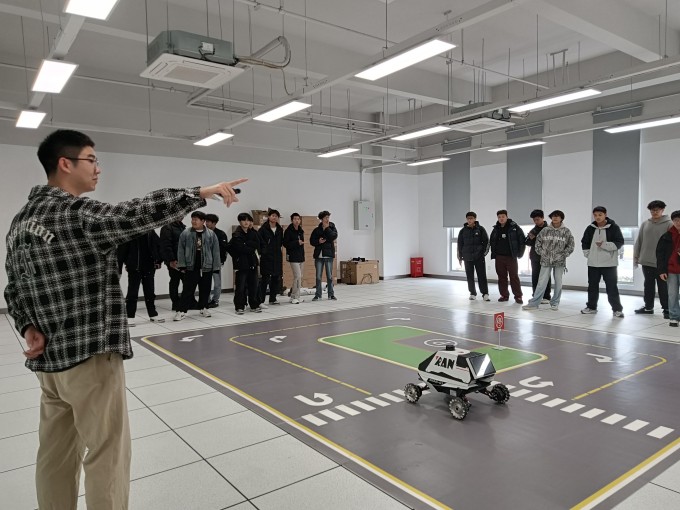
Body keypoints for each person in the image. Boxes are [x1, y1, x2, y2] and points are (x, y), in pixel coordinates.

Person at [3, 129, 245, 510]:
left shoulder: (20, 223)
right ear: (65, 164)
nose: (98, 168)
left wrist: (27, 327)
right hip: (89, 357)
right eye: (91, 160)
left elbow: (14, 287)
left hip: (49, 365)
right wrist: (199, 193)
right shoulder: (77, 214)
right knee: (107, 454)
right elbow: (135, 212)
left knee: (55, 455)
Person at [522, 210, 574, 311]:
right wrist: (542, 253)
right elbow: (537, 243)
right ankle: (534, 303)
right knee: (541, 281)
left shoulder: (566, 231)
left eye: (557, 216)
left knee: (558, 282)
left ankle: (555, 303)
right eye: (553, 216)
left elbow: (571, 245)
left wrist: (564, 254)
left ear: (561, 218)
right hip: (546, 260)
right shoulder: (545, 230)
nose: (555, 218)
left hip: (559, 261)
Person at [175, 211, 221, 321]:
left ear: (203, 221)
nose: (193, 221)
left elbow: (215, 251)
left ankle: (204, 308)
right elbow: (180, 250)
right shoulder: (186, 233)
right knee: (187, 290)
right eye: (192, 219)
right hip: (191, 266)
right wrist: (182, 265)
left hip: (207, 266)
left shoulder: (211, 234)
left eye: (196, 219)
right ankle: (181, 311)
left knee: (205, 289)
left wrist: (216, 267)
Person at [580, 206, 625, 317]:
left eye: (600, 215)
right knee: (592, 286)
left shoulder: (613, 227)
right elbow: (584, 242)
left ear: (605, 215)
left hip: (609, 264)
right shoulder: (590, 228)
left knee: (611, 287)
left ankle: (617, 309)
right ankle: (591, 307)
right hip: (593, 264)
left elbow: (619, 242)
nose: (597, 217)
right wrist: (588, 254)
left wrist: (604, 245)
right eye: (595, 215)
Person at [117, 230, 164, 326]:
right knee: (132, 293)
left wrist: (159, 260)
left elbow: (159, 245)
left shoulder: (150, 232)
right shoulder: (128, 232)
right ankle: (130, 316)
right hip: (134, 268)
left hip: (149, 266)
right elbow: (121, 252)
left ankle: (153, 314)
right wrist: (119, 270)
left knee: (150, 292)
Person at [634, 200, 671, 318]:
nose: (654, 212)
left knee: (663, 287)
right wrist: (636, 256)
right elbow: (639, 241)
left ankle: (667, 309)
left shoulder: (669, 224)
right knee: (648, 286)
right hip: (646, 260)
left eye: (657, 210)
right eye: (652, 210)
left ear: (662, 210)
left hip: (662, 263)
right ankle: (648, 307)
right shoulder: (645, 224)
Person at [228, 212, 263, 315]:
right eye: (244, 220)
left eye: (248, 220)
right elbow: (240, 248)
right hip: (241, 264)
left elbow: (257, 245)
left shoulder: (253, 233)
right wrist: (249, 246)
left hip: (253, 263)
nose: (246, 222)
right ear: (240, 221)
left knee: (254, 286)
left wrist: (247, 244)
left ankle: (254, 305)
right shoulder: (236, 234)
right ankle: (239, 306)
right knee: (240, 287)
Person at [489, 209, 526, 303]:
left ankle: (518, 296)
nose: (501, 218)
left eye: (503, 216)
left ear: (507, 217)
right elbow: (492, 242)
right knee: (501, 277)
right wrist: (494, 254)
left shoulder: (514, 227)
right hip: (499, 257)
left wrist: (520, 253)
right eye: (499, 217)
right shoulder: (496, 229)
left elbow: (522, 240)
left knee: (514, 276)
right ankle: (504, 295)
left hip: (511, 257)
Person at [457, 211, 490, 301]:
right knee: (469, 276)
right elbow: (459, 244)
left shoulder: (480, 229)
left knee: (482, 275)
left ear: (475, 219)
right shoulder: (463, 231)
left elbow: (486, 242)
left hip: (479, 257)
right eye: (468, 219)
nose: (469, 220)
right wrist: (460, 257)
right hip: (467, 258)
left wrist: (483, 253)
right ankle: (472, 293)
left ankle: (485, 293)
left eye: (471, 218)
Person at [656, 210, 680, 327]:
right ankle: (674, 317)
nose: (678, 222)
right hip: (671, 270)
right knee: (672, 294)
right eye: (676, 220)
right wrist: (661, 271)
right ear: (672, 221)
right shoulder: (666, 236)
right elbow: (660, 255)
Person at [310, 210, 338, 301]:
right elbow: (311, 241)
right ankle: (318, 295)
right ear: (321, 219)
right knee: (318, 276)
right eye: (325, 218)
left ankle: (331, 294)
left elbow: (333, 236)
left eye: (328, 217)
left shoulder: (332, 227)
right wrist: (318, 241)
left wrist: (327, 228)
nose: (327, 219)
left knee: (329, 276)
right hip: (319, 256)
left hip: (329, 255)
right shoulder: (316, 230)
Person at [258, 209, 284, 305]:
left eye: (276, 216)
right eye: (273, 215)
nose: (274, 217)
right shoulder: (263, 229)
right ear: (269, 217)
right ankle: (261, 300)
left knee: (276, 278)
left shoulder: (280, 229)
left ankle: (273, 299)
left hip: (277, 256)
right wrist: (264, 251)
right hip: (266, 257)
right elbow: (259, 242)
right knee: (265, 279)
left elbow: (281, 242)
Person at [160, 219, 186, 312]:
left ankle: (184, 301)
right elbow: (166, 245)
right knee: (175, 281)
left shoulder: (182, 226)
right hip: (173, 260)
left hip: (183, 259)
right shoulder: (167, 227)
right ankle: (175, 303)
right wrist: (171, 259)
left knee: (186, 281)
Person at [526, 209, 552, 304]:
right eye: (534, 220)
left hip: (546, 257)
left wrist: (536, 238)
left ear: (542, 218)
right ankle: (535, 295)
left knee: (545, 277)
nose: (536, 221)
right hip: (535, 257)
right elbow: (527, 242)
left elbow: (550, 243)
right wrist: (531, 238)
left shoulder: (549, 229)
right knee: (535, 277)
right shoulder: (534, 230)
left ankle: (546, 296)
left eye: (537, 219)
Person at [205, 213, 229, 308]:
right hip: (205, 262)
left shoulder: (221, 234)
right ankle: (206, 299)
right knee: (206, 282)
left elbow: (224, 249)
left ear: (214, 223)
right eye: (206, 221)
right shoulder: (203, 233)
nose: (206, 223)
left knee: (217, 282)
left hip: (217, 262)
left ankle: (215, 300)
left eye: (208, 222)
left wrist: (222, 260)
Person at [284, 212, 306, 304]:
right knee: (298, 276)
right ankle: (294, 296)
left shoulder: (301, 230)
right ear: (292, 220)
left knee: (299, 277)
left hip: (301, 256)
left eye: (298, 219)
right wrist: (297, 242)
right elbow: (285, 244)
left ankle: (296, 296)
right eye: (295, 219)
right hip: (293, 257)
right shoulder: (288, 231)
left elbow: (302, 243)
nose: (297, 221)